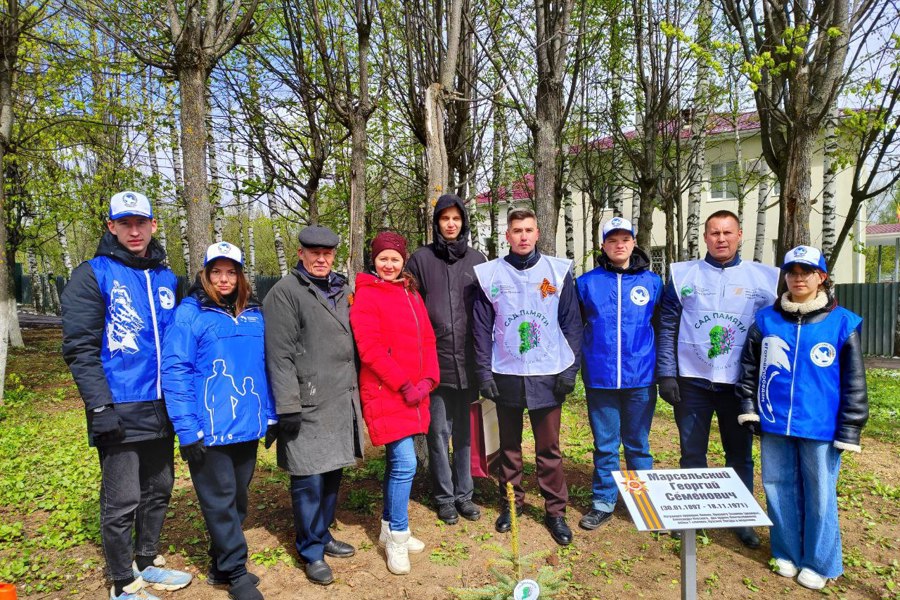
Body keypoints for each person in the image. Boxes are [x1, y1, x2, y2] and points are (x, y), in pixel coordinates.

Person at [61, 191, 192, 600]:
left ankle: (147, 561)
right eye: (125, 223)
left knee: (160, 487)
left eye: (141, 223)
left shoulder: (169, 278)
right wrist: (99, 406)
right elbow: (80, 348)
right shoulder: (92, 274)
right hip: (118, 405)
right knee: (123, 498)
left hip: (162, 405)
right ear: (111, 227)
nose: (134, 231)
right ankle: (122, 582)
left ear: (153, 225)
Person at [736, 245, 868, 590]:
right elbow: (749, 368)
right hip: (775, 421)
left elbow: (855, 381)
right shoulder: (767, 319)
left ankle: (821, 561)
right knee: (777, 487)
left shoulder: (843, 323)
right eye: (792, 272)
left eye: (805, 272)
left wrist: (851, 427)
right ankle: (787, 552)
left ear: (821, 277)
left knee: (820, 493)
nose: (798, 279)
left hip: (821, 426)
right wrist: (749, 406)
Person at [656, 209, 779, 548]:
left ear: (740, 235)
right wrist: (666, 373)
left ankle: (740, 516)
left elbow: (774, 331)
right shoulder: (683, 275)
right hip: (692, 382)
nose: (720, 239)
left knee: (738, 454)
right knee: (691, 452)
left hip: (738, 386)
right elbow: (666, 325)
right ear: (705, 237)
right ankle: (693, 517)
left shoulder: (764, 278)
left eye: (727, 233)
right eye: (714, 233)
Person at [161, 242, 275, 600]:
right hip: (208, 427)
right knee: (220, 499)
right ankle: (237, 573)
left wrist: (270, 414)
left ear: (240, 275)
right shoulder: (190, 313)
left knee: (238, 500)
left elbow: (264, 367)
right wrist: (187, 429)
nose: (223, 279)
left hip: (248, 421)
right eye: (216, 272)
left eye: (230, 272)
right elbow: (175, 370)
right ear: (205, 275)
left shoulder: (255, 314)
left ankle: (219, 564)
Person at [472, 208, 582, 546]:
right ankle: (512, 504)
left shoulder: (555, 273)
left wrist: (570, 369)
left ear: (537, 234)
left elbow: (572, 324)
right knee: (509, 447)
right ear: (507, 235)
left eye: (528, 230)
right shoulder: (491, 275)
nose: (522, 236)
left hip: (548, 374)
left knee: (549, 448)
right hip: (505, 373)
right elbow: (480, 328)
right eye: (516, 230)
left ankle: (555, 511)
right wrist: (483, 372)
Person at [263, 226, 364, 586]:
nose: (321, 259)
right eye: (314, 253)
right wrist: (287, 406)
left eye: (328, 253)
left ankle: (322, 533)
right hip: (306, 402)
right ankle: (310, 550)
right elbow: (279, 356)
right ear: (301, 253)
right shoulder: (285, 293)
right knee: (308, 479)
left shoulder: (342, 290)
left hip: (340, 398)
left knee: (333, 470)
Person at [349, 231, 439, 576]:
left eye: (395, 258)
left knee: (397, 464)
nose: (389, 264)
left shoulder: (410, 292)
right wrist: (404, 384)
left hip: (416, 392)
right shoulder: (367, 296)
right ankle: (399, 537)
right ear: (374, 260)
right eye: (383, 258)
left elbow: (427, 338)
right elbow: (369, 349)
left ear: (404, 262)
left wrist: (429, 378)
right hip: (390, 392)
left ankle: (388, 529)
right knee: (405, 464)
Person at [575, 217, 662, 530]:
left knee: (638, 444)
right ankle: (603, 501)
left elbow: (662, 326)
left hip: (641, 376)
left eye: (625, 238)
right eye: (612, 240)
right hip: (600, 376)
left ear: (634, 242)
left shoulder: (653, 283)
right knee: (606, 445)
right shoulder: (586, 283)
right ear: (603, 245)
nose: (619, 244)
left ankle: (645, 505)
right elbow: (575, 326)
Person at [406, 194, 487, 525]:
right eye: (444, 219)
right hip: (434, 364)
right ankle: (444, 496)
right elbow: (409, 309)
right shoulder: (421, 260)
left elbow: (489, 311)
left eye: (456, 218)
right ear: (437, 223)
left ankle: (464, 495)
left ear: (463, 222)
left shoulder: (478, 259)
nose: (451, 224)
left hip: (468, 363)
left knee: (465, 433)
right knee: (437, 432)